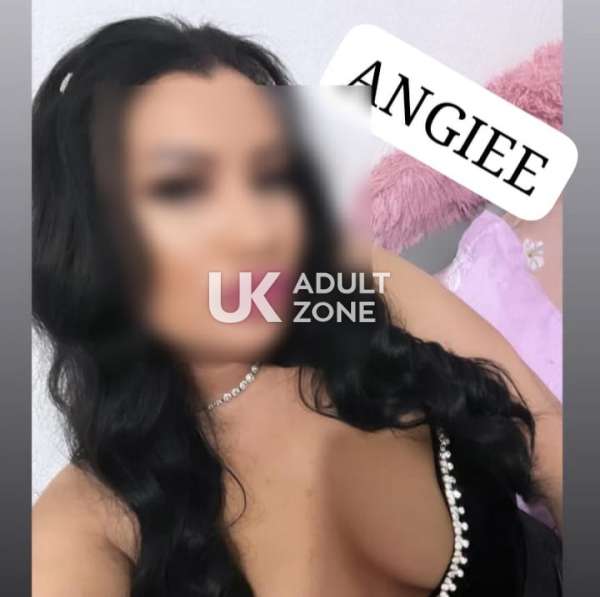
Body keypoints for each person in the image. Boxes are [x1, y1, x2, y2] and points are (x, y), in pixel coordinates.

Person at [31, 16, 562, 597]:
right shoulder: (83, 527)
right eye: (183, 187)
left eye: (269, 173)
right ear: (90, 242)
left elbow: (546, 433)